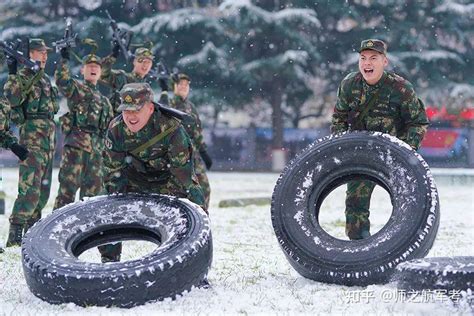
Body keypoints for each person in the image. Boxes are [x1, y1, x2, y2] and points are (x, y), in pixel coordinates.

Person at [331, 39, 429, 240]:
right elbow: (339, 118)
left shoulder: (400, 88)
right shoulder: (349, 85)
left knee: (406, 203)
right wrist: (343, 148)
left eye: (373, 58)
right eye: (363, 58)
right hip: (362, 153)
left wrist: (407, 151)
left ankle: (402, 243)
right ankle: (360, 246)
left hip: (394, 154)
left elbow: (418, 122)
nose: (367, 63)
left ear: (384, 61)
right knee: (355, 203)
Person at [100, 82, 205, 263]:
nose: (131, 116)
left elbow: (183, 176)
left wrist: (188, 203)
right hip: (134, 180)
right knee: (107, 203)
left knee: (196, 203)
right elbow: (113, 174)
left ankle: (194, 263)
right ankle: (110, 263)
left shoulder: (171, 128)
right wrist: (115, 200)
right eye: (126, 111)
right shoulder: (116, 130)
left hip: (168, 180)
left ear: (149, 108)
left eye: (136, 110)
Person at [3, 38, 59, 246]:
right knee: (29, 191)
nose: (44, 55)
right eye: (39, 51)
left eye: (45, 52)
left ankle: (32, 237)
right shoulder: (22, 77)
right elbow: (12, 99)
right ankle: (15, 238)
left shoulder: (44, 79)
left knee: (43, 192)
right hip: (32, 141)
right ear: (29, 54)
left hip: (48, 141)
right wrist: (12, 72)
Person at [52, 49, 114, 210]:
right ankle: (58, 231)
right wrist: (64, 60)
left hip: (97, 153)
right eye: (89, 66)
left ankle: (84, 233)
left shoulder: (105, 101)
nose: (93, 69)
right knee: (67, 192)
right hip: (77, 147)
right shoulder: (77, 89)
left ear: (101, 72)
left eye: (97, 67)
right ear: (82, 70)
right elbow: (62, 81)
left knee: (92, 199)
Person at [169, 73, 212, 211]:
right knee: (178, 192)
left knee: (204, 188)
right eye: (180, 84)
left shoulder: (190, 107)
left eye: (186, 85)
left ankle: (202, 219)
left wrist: (204, 151)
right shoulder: (168, 104)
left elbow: (197, 132)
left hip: (193, 155)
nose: (183, 87)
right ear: (174, 86)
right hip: (175, 155)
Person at [100, 45, 156, 115]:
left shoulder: (147, 89)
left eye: (148, 62)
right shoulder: (123, 78)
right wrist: (112, 57)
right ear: (134, 61)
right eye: (141, 60)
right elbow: (102, 73)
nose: (145, 65)